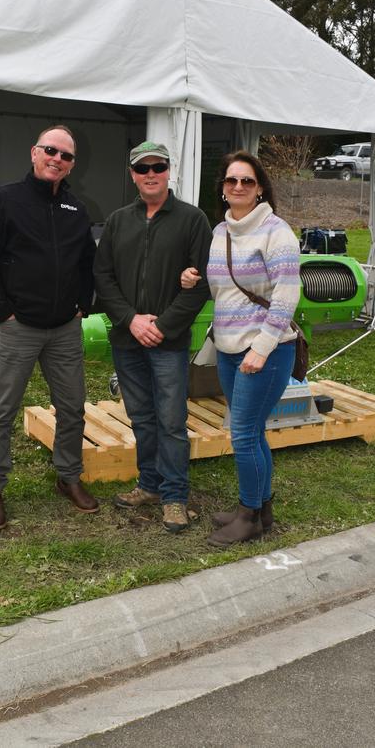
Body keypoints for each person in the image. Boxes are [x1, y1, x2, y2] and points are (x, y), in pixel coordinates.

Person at [0, 125, 98, 529]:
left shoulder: (77, 209)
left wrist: (83, 305)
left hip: (63, 329)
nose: (57, 159)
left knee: (73, 407)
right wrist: (3, 311)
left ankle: (68, 477)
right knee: (2, 410)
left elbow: (87, 264)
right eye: (50, 151)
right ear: (34, 152)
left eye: (66, 156)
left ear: (72, 164)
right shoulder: (4, 200)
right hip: (17, 327)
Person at [181, 150, 300, 547]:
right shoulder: (220, 232)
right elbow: (221, 289)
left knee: (244, 434)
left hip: (264, 350)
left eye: (246, 181)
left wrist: (261, 348)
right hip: (229, 348)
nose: (238, 187)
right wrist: (190, 278)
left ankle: (248, 517)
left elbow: (286, 296)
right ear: (223, 189)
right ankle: (261, 510)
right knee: (254, 432)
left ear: (260, 187)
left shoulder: (276, 231)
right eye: (231, 181)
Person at [94, 141, 212, 533]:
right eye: (142, 168)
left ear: (168, 171)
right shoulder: (117, 221)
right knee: (141, 417)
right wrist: (130, 320)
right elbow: (103, 277)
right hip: (128, 340)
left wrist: (161, 326)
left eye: (157, 167)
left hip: (168, 342)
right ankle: (149, 484)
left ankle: (175, 496)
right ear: (132, 175)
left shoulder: (193, 220)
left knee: (172, 421)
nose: (150, 174)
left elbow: (200, 284)